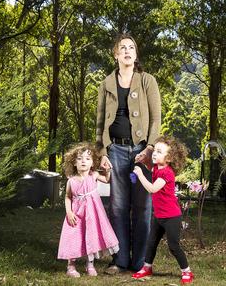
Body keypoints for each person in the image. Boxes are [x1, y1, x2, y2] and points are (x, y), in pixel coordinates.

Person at [96, 32, 161, 273]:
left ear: (136, 54)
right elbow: (100, 122)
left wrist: (150, 148)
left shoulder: (147, 81)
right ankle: (120, 259)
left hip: (142, 151)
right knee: (118, 206)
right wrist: (102, 150)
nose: (127, 51)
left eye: (131, 47)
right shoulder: (105, 84)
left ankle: (140, 262)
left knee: (144, 207)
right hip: (115, 149)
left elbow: (156, 119)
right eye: (122, 47)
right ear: (115, 54)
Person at [131, 136, 194, 284]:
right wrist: (144, 160)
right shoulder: (157, 168)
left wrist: (140, 175)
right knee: (151, 242)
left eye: (159, 152)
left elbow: (152, 189)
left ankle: (187, 271)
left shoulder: (167, 173)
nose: (154, 153)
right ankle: (147, 267)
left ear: (170, 157)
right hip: (158, 215)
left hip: (171, 217)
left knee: (173, 246)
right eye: (155, 150)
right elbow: (150, 168)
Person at [57, 143, 119, 277]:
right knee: (74, 236)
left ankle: (90, 264)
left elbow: (107, 180)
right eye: (79, 158)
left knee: (91, 236)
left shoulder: (94, 175)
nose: (83, 161)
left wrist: (107, 170)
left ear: (92, 163)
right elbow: (68, 197)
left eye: (87, 158)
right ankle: (71, 266)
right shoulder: (71, 181)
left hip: (92, 214)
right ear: (74, 162)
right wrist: (69, 212)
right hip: (76, 214)